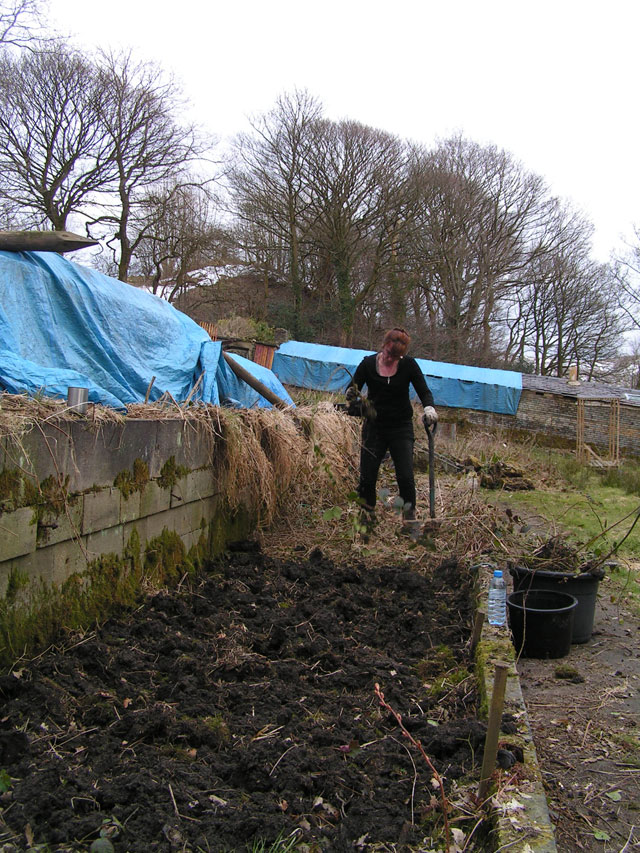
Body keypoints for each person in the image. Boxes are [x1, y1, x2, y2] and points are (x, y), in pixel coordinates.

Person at [345, 327, 437, 523]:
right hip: (374, 427)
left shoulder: (409, 365)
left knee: (405, 476)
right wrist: (351, 396)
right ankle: (367, 514)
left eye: (394, 357)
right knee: (368, 476)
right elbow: (353, 388)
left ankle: (409, 517)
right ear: (383, 346)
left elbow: (424, 391)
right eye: (387, 354)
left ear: (401, 356)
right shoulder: (368, 364)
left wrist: (429, 408)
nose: (389, 359)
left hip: (401, 427)